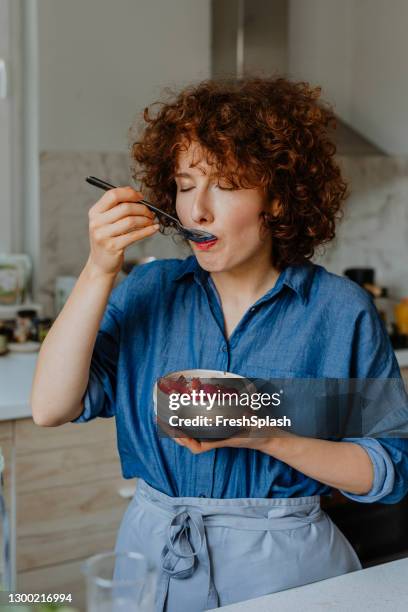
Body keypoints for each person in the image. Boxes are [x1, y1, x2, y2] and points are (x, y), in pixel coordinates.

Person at [31, 76, 408, 612]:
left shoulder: (340, 311)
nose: (197, 211)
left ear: (276, 199)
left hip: (291, 573)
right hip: (155, 561)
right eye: (186, 185)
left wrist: (265, 436)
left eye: (225, 185)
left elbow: (389, 468)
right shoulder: (147, 291)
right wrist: (98, 269)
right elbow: (49, 407)